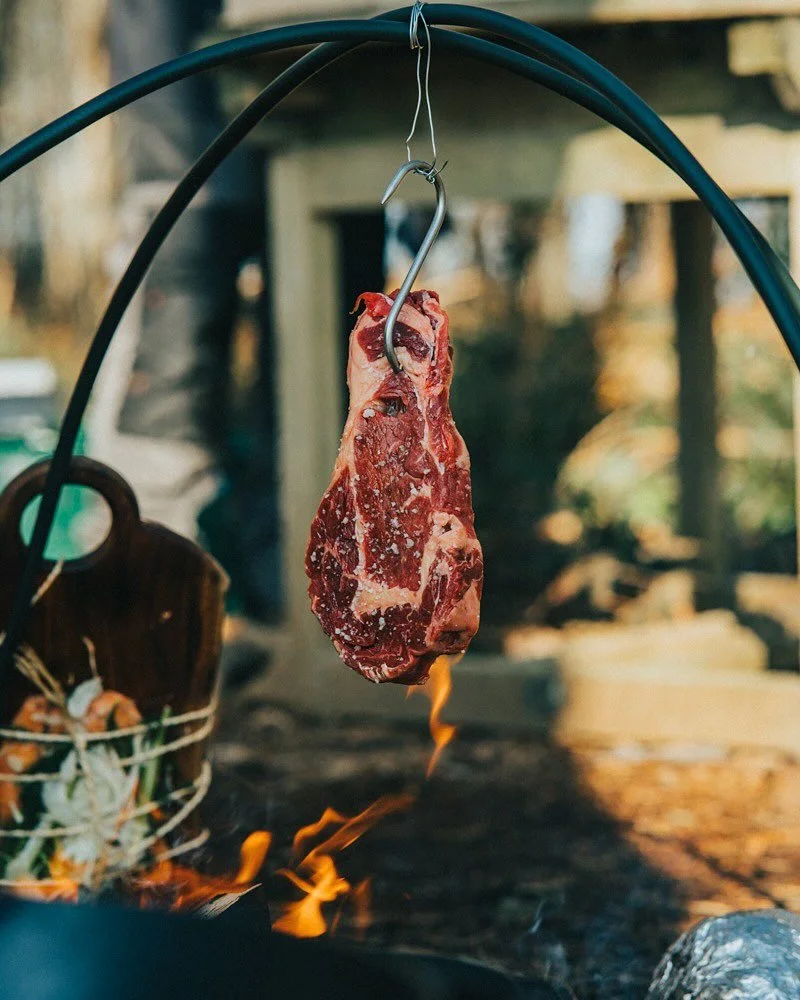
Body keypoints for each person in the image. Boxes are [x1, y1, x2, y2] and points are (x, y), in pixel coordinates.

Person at [90, 0, 280, 673]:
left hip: (328, 116)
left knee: (324, 379)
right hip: (184, 133)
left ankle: (297, 610)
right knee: (169, 371)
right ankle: (135, 613)